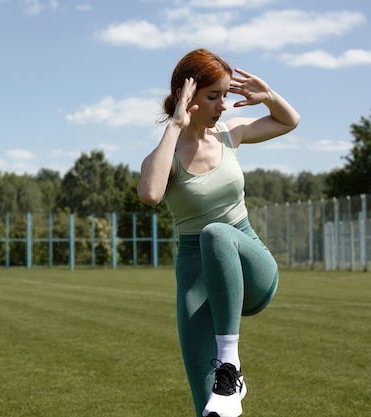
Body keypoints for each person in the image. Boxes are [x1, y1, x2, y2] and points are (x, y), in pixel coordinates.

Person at [137, 48, 300, 417]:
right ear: (187, 96)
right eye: (215, 96)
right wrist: (174, 127)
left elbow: (289, 122)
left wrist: (268, 95)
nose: (224, 105)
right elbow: (150, 194)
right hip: (196, 278)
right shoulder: (167, 156)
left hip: (249, 265)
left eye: (226, 95)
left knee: (216, 233)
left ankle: (230, 364)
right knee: (208, 406)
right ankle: (224, 384)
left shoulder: (230, 136)